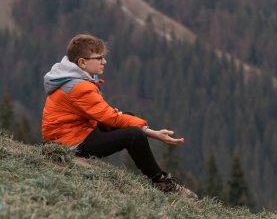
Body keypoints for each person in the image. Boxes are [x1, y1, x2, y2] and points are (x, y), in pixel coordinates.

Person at [42, 33, 197, 199]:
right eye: (99, 58)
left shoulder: (72, 78)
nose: (104, 62)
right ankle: (160, 182)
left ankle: (160, 180)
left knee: (128, 121)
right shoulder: (80, 87)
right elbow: (111, 118)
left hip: (71, 134)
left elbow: (103, 114)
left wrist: (131, 123)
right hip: (69, 145)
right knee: (133, 135)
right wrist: (151, 133)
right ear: (82, 62)